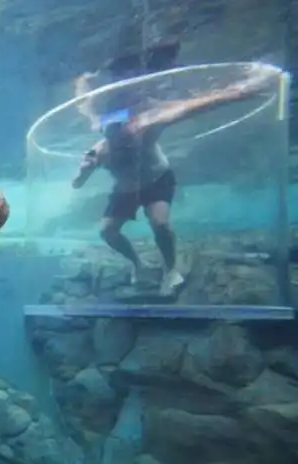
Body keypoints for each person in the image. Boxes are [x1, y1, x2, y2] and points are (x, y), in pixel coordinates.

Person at [71, 63, 272, 296]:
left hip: (157, 179)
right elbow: (76, 183)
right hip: (125, 189)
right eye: (114, 133)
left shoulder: (148, 127)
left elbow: (198, 106)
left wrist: (243, 93)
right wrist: (84, 172)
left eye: (126, 130)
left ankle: (171, 269)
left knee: (160, 223)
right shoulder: (99, 151)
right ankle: (139, 264)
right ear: (105, 133)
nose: (123, 136)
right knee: (107, 232)